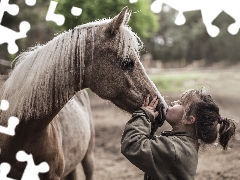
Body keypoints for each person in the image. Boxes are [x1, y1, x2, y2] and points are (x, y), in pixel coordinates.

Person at [121, 88, 236, 180]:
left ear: (189, 120)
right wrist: (152, 124)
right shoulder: (183, 145)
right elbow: (150, 147)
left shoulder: (174, 149)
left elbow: (132, 145)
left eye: (180, 103)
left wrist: (144, 115)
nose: (173, 102)